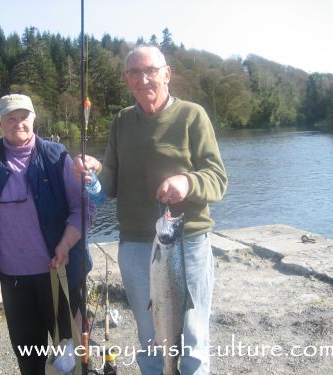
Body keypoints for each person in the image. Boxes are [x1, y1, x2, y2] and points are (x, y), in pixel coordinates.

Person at [73, 46, 227, 374]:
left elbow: (217, 179)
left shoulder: (192, 116)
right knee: (149, 336)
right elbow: (110, 186)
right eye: (134, 73)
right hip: (135, 247)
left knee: (193, 339)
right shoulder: (121, 122)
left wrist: (187, 182)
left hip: (187, 244)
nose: (143, 79)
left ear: (166, 74)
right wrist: (94, 176)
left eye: (150, 71)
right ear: (126, 79)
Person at [0, 93, 93, 374]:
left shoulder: (56, 156)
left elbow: (83, 210)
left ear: (34, 118)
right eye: (10, 118)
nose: (18, 123)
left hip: (59, 276)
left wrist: (65, 244)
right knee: (28, 357)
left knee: (71, 357)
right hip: (14, 281)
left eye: (24, 117)